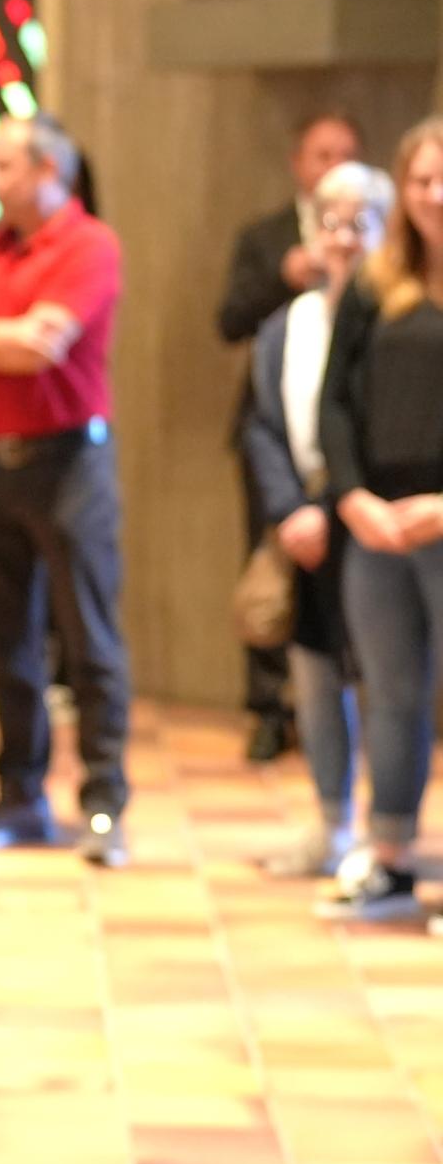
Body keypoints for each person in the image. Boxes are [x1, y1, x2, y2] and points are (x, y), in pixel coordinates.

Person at [0, 113, 132, 865]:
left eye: (7, 165)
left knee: (89, 639)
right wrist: (1, 338)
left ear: (49, 172)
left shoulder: (90, 245)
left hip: (70, 464)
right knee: (7, 641)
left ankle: (105, 804)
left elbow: (48, 345)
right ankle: (19, 797)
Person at [239, 160, 393, 878]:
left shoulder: (400, 324)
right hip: (303, 527)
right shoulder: (284, 326)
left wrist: (339, 505)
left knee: (385, 683)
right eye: (329, 222)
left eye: (360, 222)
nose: (342, 238)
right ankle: (331, 824)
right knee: (314, 678)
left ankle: (385, 832)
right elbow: (263, 426)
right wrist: (290, 509)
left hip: (372, 525)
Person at [315, 116, 443, 925]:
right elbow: (334, 403)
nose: (436, 193)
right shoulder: (374, 280)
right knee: (391, 695)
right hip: (375, 523)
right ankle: (390, 858)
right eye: (424, 179)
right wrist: (353, 497)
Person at [218, 109, 365, 761]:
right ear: (297, 163)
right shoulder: (266, 237)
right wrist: (284, 275)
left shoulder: (383, 263)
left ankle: (343, 719)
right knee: (271, 574)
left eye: (346, 153)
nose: (332, 164)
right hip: (273, 434)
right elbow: (229, 320)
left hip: (354, 462)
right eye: (321, 153)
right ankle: (269, 709)